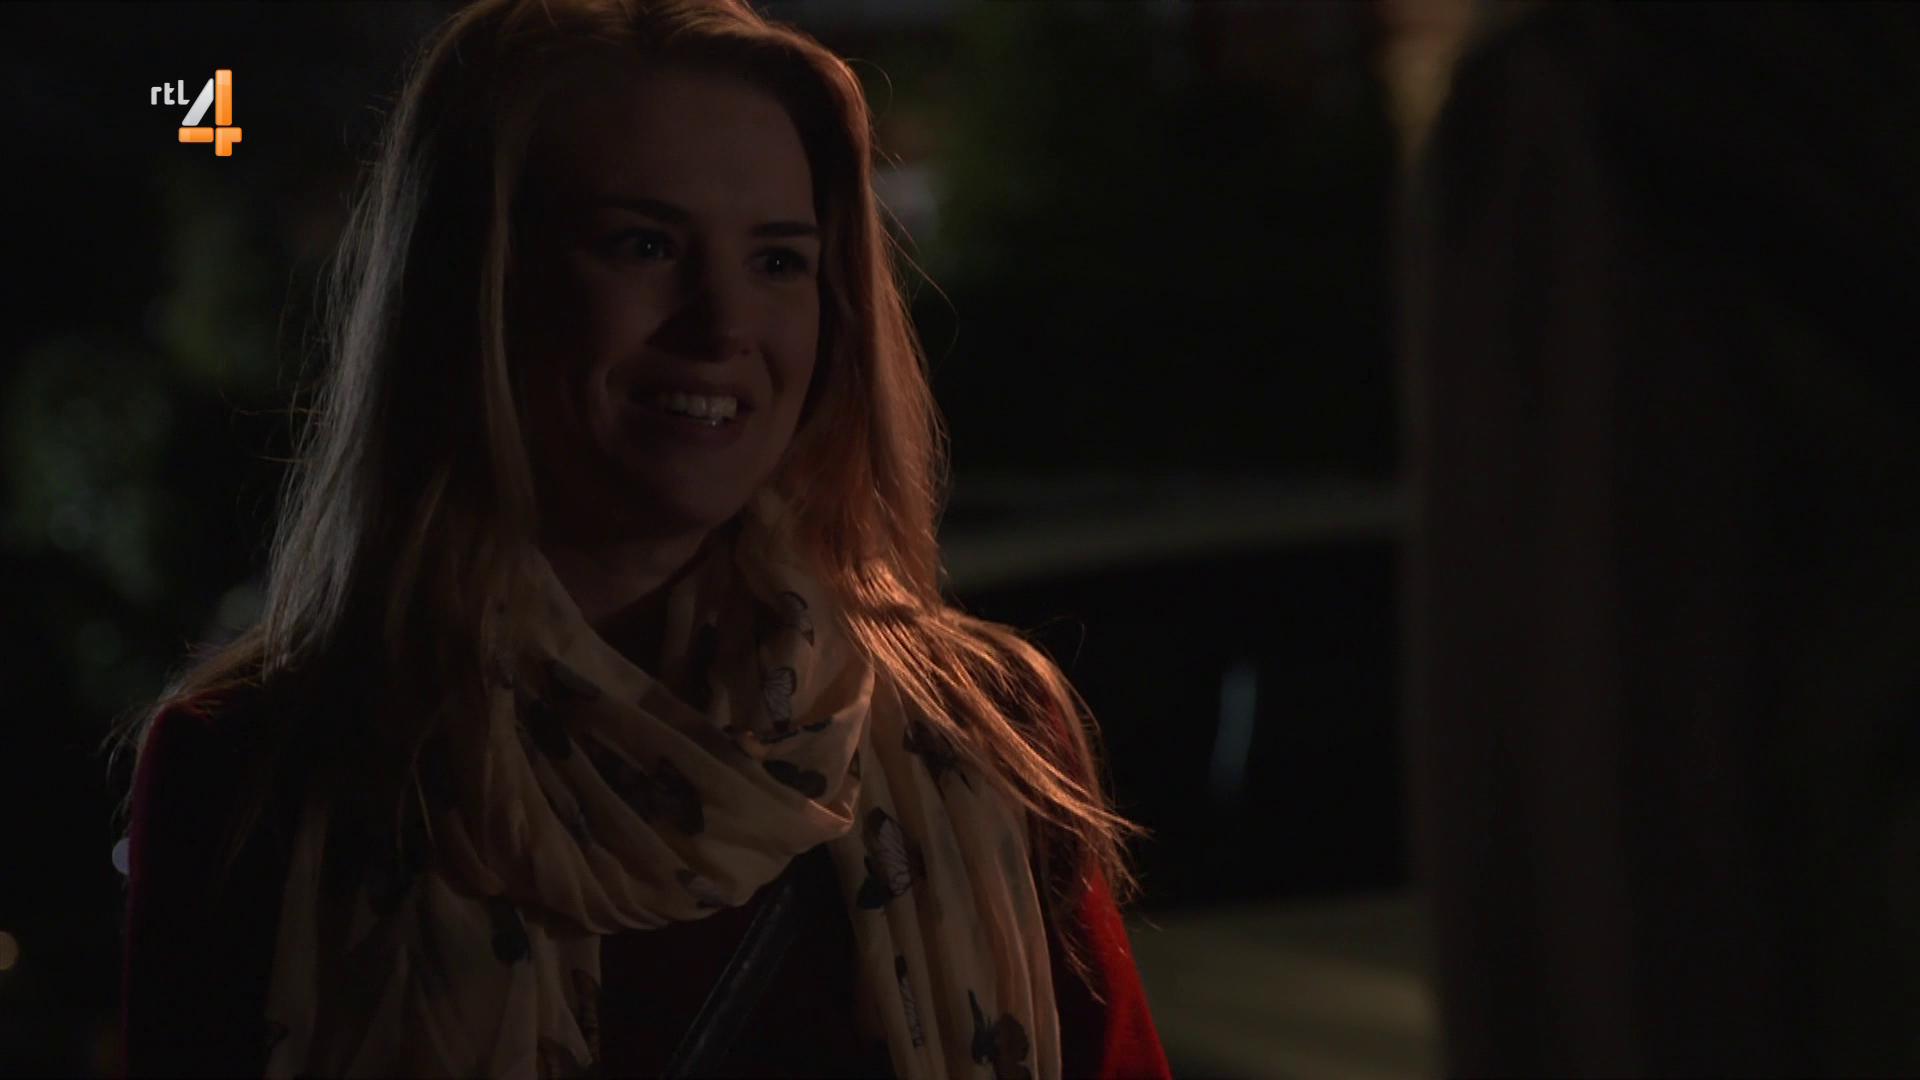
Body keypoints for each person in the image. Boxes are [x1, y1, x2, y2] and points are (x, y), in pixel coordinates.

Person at [113, 1, 1171, 1076]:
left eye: (778, 261)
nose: (723, 325)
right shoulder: (263, 767)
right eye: (645, 245)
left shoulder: (983, 730)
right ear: (475, 285)